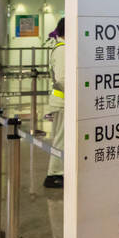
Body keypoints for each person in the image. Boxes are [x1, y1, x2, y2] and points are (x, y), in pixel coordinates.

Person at [44, 18, 66, 189]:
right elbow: (62, 79)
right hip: (63, 101)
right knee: (61, 138)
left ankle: (58, 172)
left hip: (62, 101)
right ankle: (54, 174)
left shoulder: (60, 47)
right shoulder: (63, 50)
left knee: (61, 137)